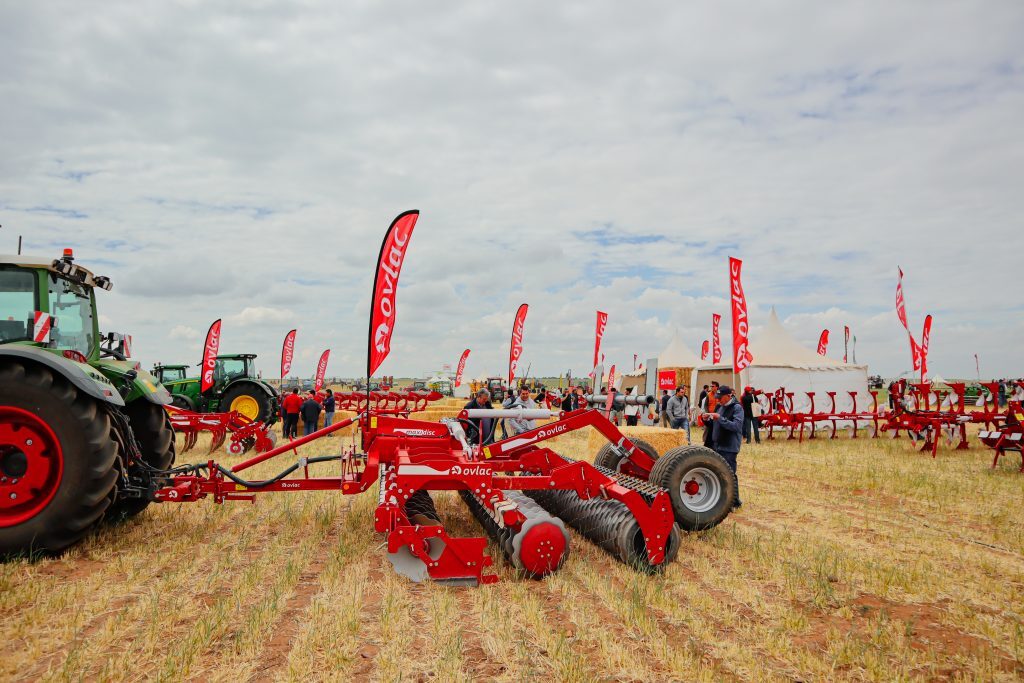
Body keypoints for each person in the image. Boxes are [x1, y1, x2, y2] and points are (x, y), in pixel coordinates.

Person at [703, 385, 744, 508]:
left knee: (730, 474)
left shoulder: (737, 408)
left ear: (728, 396)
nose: (718, 400)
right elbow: (714, 424)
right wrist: (707, 419)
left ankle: (735, 502)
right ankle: (721, 500)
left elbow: (736, 426)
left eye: (720, 398)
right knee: (718, 474)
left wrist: (720, 418)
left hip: (729, 447)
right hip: (717, 445)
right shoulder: (720, 407)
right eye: (717, 397)